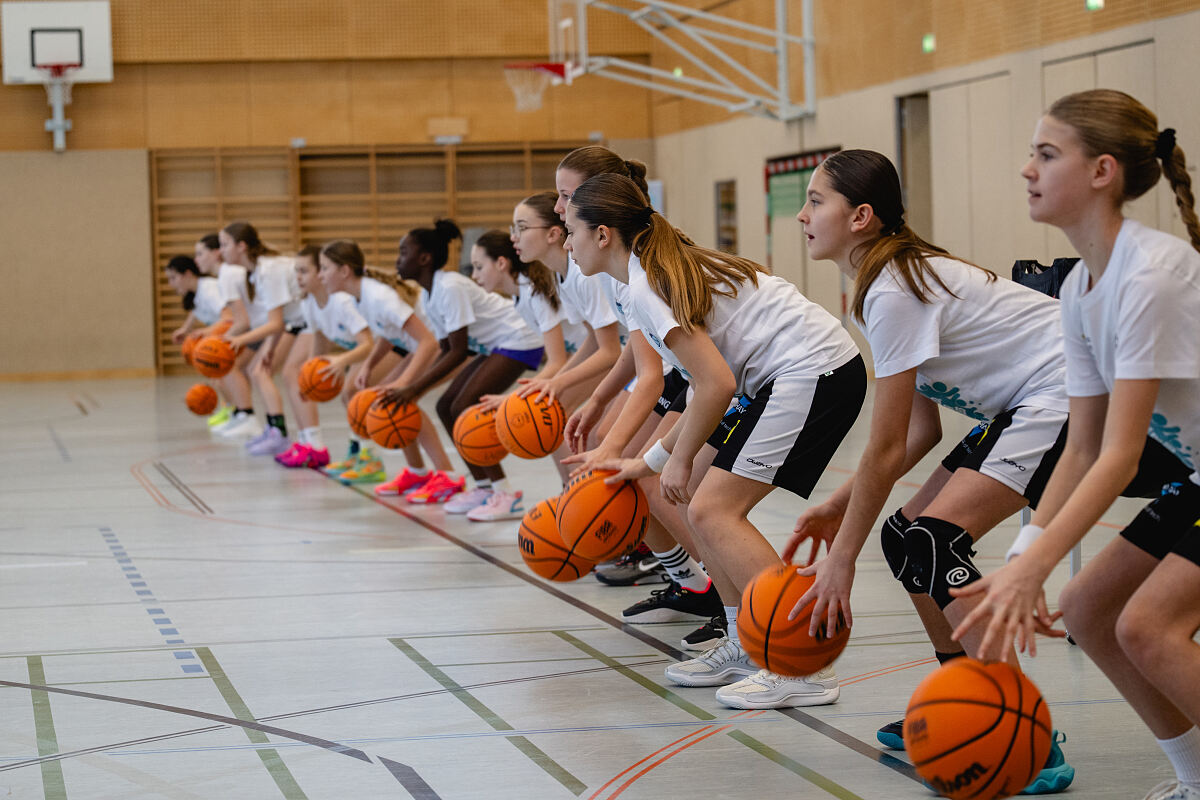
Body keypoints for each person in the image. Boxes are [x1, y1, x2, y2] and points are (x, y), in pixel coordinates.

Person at [951, 89, 1200, 800]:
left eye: (1046, 154)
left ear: (1101, 171)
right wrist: (1022, 560)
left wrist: (1035, 568)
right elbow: (1082, 448)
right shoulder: (1081, 287)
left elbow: (1122, 454)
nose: (1027, 169)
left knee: (1149, 627)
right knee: (1090, 610)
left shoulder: (1149, 276)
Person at [567, 173, 865, 709]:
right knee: (699, 505)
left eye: (571, 229)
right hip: (782, 377)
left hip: (812, 370)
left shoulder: (647, 285)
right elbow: (709, 386)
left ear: (603, 234)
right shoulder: (643, 276)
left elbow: (716, 384)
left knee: (713, 510)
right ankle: (746, 640)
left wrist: (677, 461)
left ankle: (803, 664)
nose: (568, 242)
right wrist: (650, 462)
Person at [378, 219, 544, 521]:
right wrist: (415, 389)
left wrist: (413, 389)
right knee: (445, 407)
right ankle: (483, 487)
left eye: (403, 252)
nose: (398, 260)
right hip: (496, 345)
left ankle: (504, 493)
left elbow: (458, 351)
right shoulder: (428, 295)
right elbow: (446, 350)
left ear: (424, 258)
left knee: (464, 407)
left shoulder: (449, 287)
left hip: (519, 338)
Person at [315, 239, 447, 491]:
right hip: (422, 346)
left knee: (403, 399)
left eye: (324, 268)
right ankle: (417, 473)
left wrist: (404, 383)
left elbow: (428, 342)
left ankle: (446, 476)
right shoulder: (360, 297)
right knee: (391, 400)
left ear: (344, 271)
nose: (320, 276)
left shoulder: (378, 296)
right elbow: (388, 332)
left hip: (444, 344)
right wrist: (369, 364)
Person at [273, 245, 373, 469]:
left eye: (304, 271)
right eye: (296, 271)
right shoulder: (309, 302)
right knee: (350, 394)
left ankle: (367, 458)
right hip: (363, 350)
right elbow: (319, 340)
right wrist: (307, 376)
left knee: (352, 391)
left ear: (321, 273)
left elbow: (369, 343)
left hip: (383, 346)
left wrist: (341, 361)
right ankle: (357, 454)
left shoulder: (342, 301)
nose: (298, 277)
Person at [218, 221, 305, 449]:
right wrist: (269, 348)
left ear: (241, 246)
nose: (221, 251)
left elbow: (276, 323)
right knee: (258, 370)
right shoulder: (258, 272)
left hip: (308, 321)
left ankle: (282, 433)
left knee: (267, 372)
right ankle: (274, 429)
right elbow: (279, 321)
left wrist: (239, 339)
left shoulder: (269, 270)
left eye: (225, 245)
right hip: (295, 322)